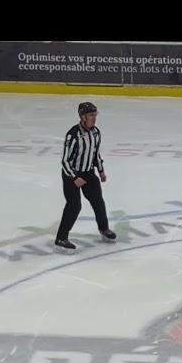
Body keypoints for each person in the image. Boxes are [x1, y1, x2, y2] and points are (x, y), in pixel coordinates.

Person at [55, 102, 116, 253]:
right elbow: (65, 160)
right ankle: (61, 238)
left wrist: (100, 171)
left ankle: (104, 229)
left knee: (98, 201)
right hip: (71, 175)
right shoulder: (73, 135)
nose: (94, 118)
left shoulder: (96, 133)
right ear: (82, 117)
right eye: (91, 115)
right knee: (74, 206)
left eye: (95, 115)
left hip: (88, 173)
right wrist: (75, 177)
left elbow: (95, 154)